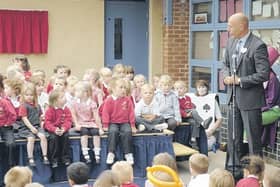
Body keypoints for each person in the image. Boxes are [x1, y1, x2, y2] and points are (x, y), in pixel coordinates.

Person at [222, 12, 270, 179]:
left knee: (253, 142)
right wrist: (227, 76)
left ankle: (256, 177)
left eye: (230, 25)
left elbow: (264, 74)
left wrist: (240, 80)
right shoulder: (230, 42)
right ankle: (233, 174)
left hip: (250, 101)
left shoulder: (258, 45)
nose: (228, 29)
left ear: (242, 26)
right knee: (233, 139)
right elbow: (225, 64)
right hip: (232, 99)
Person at [101, 78, 136, 165]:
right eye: (121, 87)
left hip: (125, 122)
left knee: (127, 132)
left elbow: (131, 113)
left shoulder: (127, 100)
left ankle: (128, 153)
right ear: (113, 89)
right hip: (113, 122)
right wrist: (105, 124)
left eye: (124, 88)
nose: (123, 90)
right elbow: (105, 113)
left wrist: (132, 125)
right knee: (113, 131)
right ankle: (111, 153)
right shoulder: (109, 100)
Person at [186, 80, 223, 155]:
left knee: (205, 146)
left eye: (203, 87)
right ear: (196, 89)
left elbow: (220, 118)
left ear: (207, 88)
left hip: (208, 133)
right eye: (199, 87)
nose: (201, 89)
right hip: (194, 131)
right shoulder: (191, 99)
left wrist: (211, 131)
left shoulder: (212, 100)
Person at [174, 80, 213, 149]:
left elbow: (190, 106)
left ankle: (193, 139)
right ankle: (203, 123)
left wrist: (190, 112)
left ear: (185, 89)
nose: (179, 90)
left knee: (195, 122)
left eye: (180, 88)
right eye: (177, 89)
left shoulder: (188, 98)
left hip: (189, 115)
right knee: (194, 111)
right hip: (181, 116)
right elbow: (178, 109)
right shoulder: (175, 99)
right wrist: (186, 115)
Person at [72, 81, 104, 164]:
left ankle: (97, 154)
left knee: (95, 132)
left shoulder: (92, 103)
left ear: (85, 93)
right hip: (81, 123)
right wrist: (76, 124)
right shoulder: (75, 103)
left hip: (91, 123)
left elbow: (96, 117)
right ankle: (85, 153)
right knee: (84, 132)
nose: (76, 93)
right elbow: (74, 115)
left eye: (78, 91)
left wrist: (100, 128)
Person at [18, 82, 49, 167]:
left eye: (31, 95)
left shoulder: (37, 106)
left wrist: (40, 126)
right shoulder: (23, 106)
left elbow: (39, 117)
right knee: (31, 138)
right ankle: (30, 157)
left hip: (36, 126)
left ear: (35, 96)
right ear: (23, 95)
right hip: (26, 127)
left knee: (43, 136)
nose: (29, 97)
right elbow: (24, 118)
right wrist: (31, 128)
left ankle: (45, 156)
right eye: (27, 95)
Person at [44, 89, 72, 168]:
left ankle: (65, 157)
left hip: (62, 128)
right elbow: (47, 123)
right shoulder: (50, 110)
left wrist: (64, 128)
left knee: (66, 136)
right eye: (62, 97)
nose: (65, 98)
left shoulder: (66, 109)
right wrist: (54, 129)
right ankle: (54, 159)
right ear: (56, 101)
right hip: (52, 128)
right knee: (53, 138)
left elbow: (68, 121)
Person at [261, 47, 280, 147]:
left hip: (273, 110)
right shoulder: (260, 75)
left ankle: (252, 145)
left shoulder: (272, 78)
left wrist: (260, 108)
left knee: (253, 118)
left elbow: (271, 101)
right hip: (262, 107)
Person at [0, 94, 17, 168]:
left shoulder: (4, 102)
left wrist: (7, 123)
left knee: (11, 144)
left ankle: (11, 165)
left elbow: (13, 115)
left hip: (5, 127)